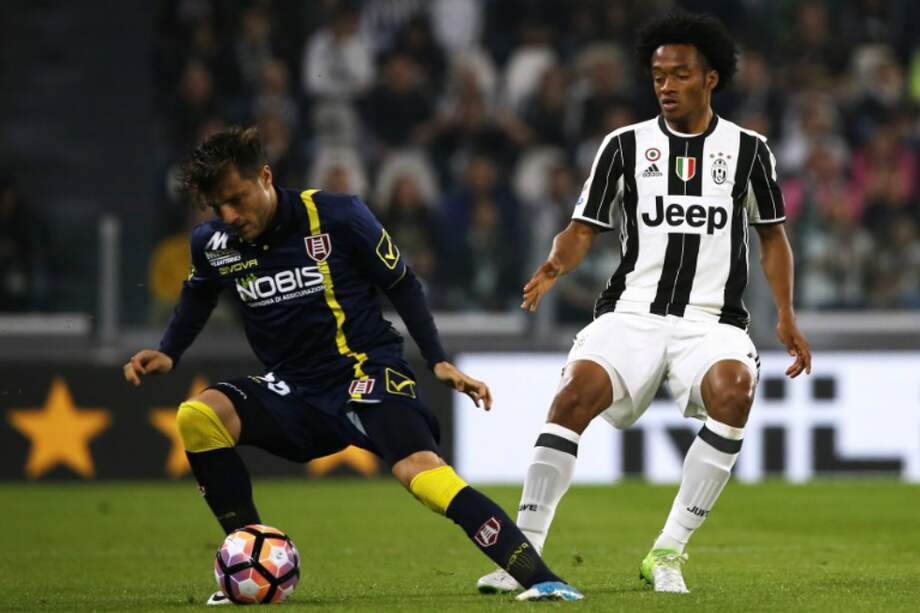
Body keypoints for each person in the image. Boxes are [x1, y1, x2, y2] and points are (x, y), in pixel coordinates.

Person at [122, 126, 582, 604]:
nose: (231, 215)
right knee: (198, 417)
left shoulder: (337, 215)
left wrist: (437, 359)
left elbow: (403, 283)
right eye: (220, 206)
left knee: (421, 475)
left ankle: (541, 577)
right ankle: (250, 563)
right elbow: (199, 293)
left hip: (365, 373)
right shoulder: (213, 243)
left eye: (238, 198)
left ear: (265, 176)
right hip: (293, 390)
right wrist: (170, 350)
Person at [477, 12, 812, 595]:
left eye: (680, 74)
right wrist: (557, 262)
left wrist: (785, 314)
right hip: (632, 311)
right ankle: (522, 557)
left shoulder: (749, 151)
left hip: (712, 322)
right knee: (572, 395)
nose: (666, 85)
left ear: (710, 79)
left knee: (735, 390)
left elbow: (772, 235)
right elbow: (585, 226)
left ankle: (668, 552)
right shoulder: (624, 146)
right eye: (658, 75)